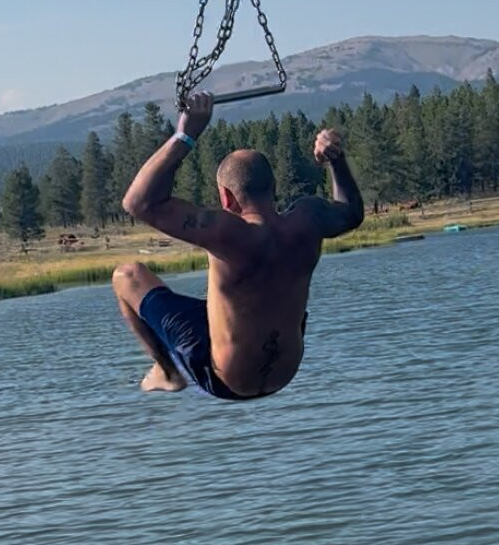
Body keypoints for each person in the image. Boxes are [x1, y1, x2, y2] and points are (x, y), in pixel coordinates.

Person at [114, 92, 364, 399]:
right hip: (286, 369)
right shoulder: (307, 221)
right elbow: (351, 213)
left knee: (126, 276)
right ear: (273, 189)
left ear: (226, 198)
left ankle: (167, 372)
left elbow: (137, 202)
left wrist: (186, 134)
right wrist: (335, 160)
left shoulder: (227, 234)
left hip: (227, 379)